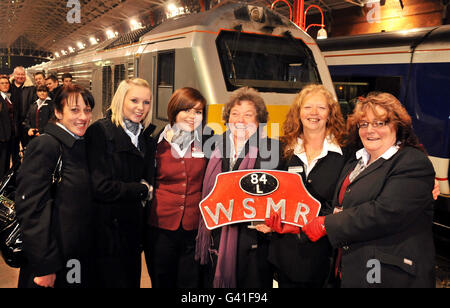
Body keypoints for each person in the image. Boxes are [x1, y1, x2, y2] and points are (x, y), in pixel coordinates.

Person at [302, 92, 436, 288]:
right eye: (363, 124)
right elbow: (339, 206)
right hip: (353, 271)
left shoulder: (412, 162)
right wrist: (298, 221)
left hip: (390, 277)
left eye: (379, 123)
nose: (370, 130)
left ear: (397, 125)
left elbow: (386, 212)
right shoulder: (356, 161)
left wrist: (326, 224)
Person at [262, 84, 352, 288]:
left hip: (326, 256)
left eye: (321, 108)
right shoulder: (281, 148)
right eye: (308, 107)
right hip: (285, 254)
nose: (314, 113)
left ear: (330, 113)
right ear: (298, 113)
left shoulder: (347, 151)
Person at [195, 86, 280, 288]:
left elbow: (275, 195)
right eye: (235, 113)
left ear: (258, 121)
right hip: (215, 232)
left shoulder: (272, 148)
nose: (240, 120)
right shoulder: (214, 145)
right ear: (227, 117)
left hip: (253, 238)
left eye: (248, 115)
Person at [15, 85, 95, 288]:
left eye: (87, 110)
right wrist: (44, 266)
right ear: (58, 113)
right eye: (74, 110)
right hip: (51, 260)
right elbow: (32, 209)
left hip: (71, 256)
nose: (83, 117)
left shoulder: (77, 144)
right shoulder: (47, 145)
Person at [85, 78, 156, 288]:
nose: (140, 107)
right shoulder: (100, 132)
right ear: (120, 99)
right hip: (106, 234)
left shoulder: (144, 136)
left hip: (131, 234)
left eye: (146, 102)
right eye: (134, 100)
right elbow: (100, 187)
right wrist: (142, 190)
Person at [145, 87, 208, 288]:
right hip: (160, 227)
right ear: (174, 111)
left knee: (190, 282)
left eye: (198, 112)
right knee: (162, 279)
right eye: (187, 110)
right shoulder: (154, 143)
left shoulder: (208, 143)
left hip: (194, 228)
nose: (192, 116)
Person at [10, 66, 35, 151]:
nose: (20, 76)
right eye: (18, 74)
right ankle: (16, 164)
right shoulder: (9, 87)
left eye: (22, 74)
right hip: (12, 123)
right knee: (13, 147)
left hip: (25, 123)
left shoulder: (31, 88)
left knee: (28, 146)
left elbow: (33, 105)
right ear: (14, 75)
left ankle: (27, 163)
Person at [0, 75, 12, 178]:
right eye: (2, 83)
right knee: (2, 162)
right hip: (2, 137)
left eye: (7, 83)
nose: (5, 85)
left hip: (8, 136)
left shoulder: (7, 97)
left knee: (6, 160)